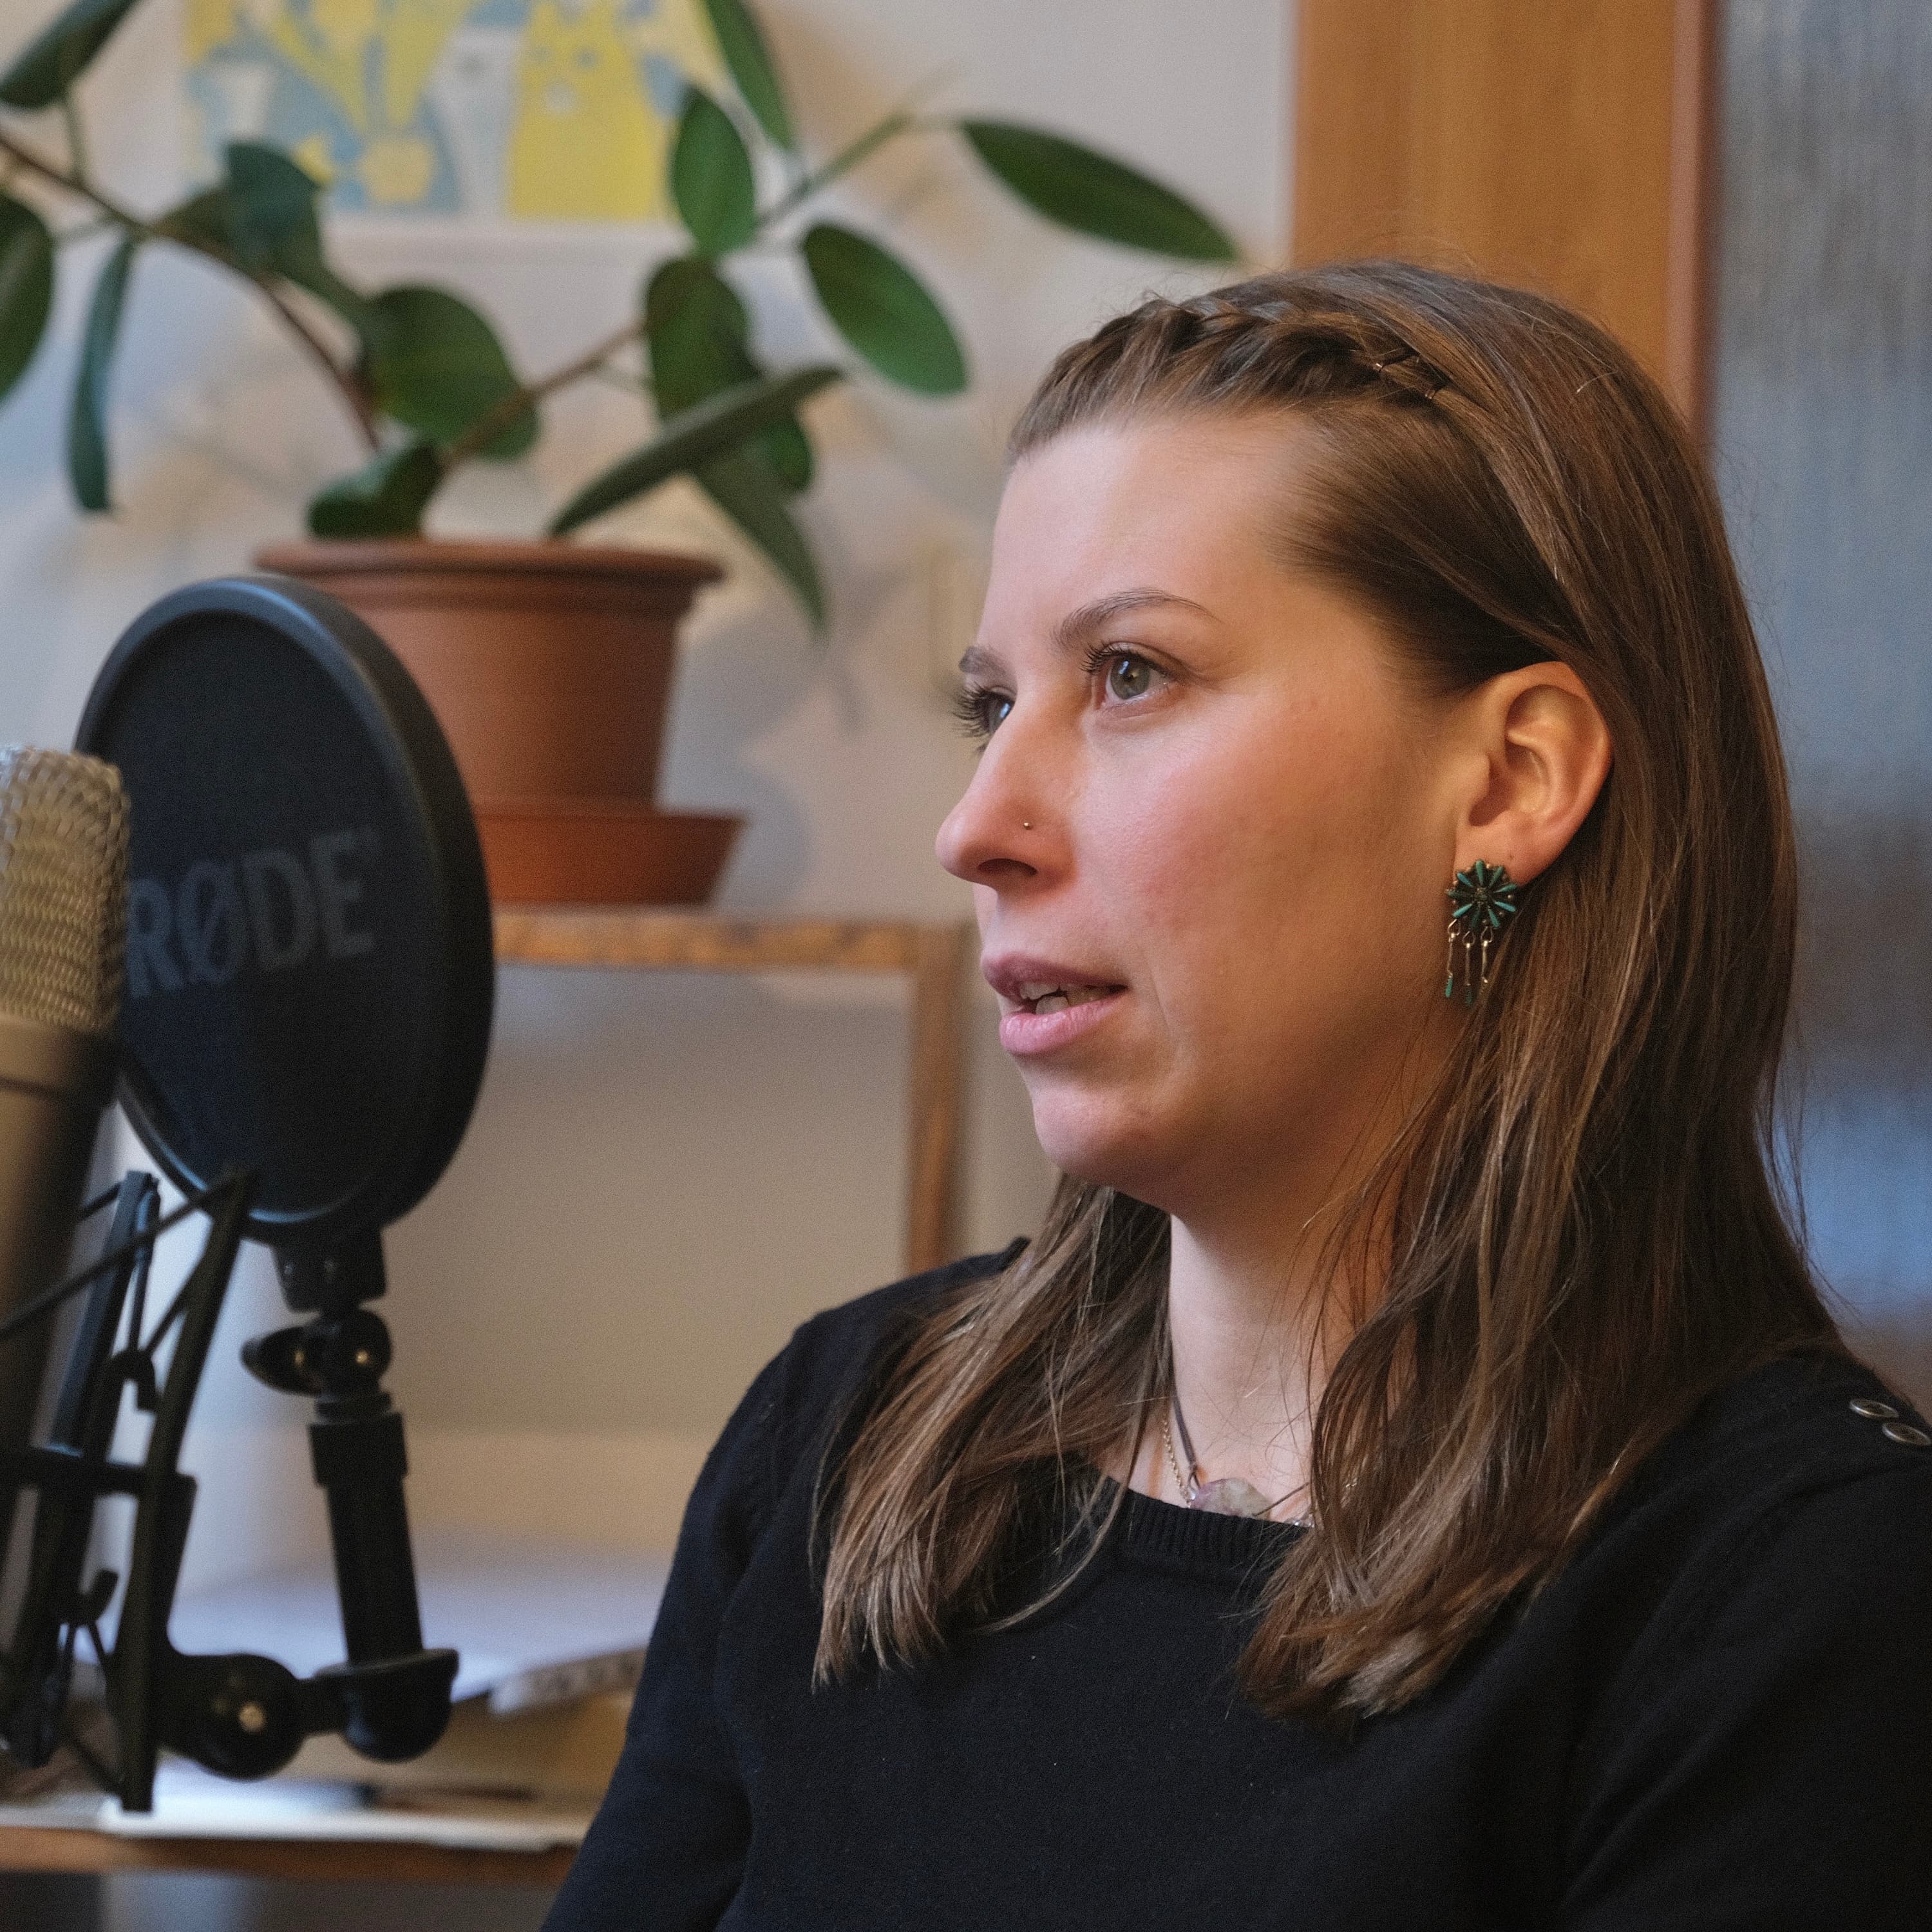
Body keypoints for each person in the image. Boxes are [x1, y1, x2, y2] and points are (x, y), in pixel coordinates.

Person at [542, 262, 1932, 1930]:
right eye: (992, 706)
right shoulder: (843, 1438)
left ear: (1509, 782)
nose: (977, 828)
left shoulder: (1801, 1586)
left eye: (1131, 674)